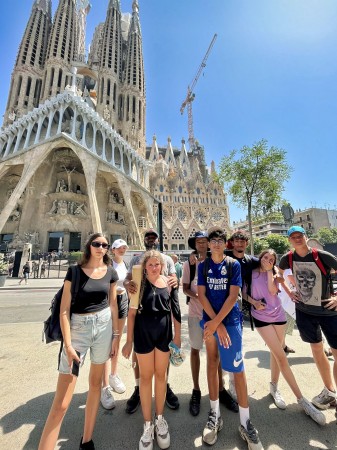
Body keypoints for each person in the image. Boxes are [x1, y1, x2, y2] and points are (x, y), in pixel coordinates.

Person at [38, 233, 119, 450]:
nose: (101, 248)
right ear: (89, 246)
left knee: (95, 386)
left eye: (104, 245)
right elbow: (64, 310)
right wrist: (69, 344)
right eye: (96, 244)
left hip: (103, 329)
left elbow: (113, 306)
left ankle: (87, 440)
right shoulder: (74, 271)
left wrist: (116, 337)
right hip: (78, 331)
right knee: (62, 402)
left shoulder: (110, 272)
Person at [197, 227, 263, 448]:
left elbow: (234, 295)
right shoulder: (203, 265)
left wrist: (219, 324)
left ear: (225, 244)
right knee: (212, 363)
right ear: (208, 243)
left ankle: (245, 422)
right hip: (210, 321)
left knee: (237, 368)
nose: (216, 243)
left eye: (220, 240)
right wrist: (214, 323)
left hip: (230, 321)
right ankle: (215, 414)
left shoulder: (232, 264)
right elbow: (202, 295)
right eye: (212, 240)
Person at [247, 249, 325, 425]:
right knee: (282, 357)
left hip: (278, 315)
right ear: (260, 258)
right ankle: (302, 401)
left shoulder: (273, 272)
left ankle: (273, 387)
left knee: (277, 352)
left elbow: (272, 291)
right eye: (265, 257)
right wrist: (254, 302)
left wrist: (270, 272)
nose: (268, 260)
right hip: (261, 316)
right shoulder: (250, 273)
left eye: (271, 259)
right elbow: (243, 292)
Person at [122, 250, 181, 450]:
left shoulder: (170, 283)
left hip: (163, 334)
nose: (155, 268)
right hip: (143, 333)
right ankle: (147, 424)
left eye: (158, 264)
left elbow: (176, 310)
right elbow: (131, 315)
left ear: (162, 266)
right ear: (144, 267)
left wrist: (178, 337)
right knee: (146, 378)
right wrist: (128, 341)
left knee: (161, 376)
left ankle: (160, 419)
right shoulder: (138, 284)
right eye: (151, 265)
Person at [279, 226, 337, 412]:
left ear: (306, 237)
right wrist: (290, 292)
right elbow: (278, 275)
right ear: (289, 240)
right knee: (316, 348)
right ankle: (329, 391)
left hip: (328, 310)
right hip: (305, 311)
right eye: (293, 237)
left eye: (300, 236)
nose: (297, 239)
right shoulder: (287, 258)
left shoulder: (321, 255)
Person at [182, 230, 238, 417]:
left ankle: (220, 390)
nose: (202, 244)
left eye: (204, 241)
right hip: (197, 313)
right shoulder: (190, 263)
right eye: (198, 242)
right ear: (194, 245)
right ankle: (197, 390)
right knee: (196, 349)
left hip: (216, 316)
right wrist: (198, 296)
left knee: (217, 354)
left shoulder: (219, 262)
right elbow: (185, 288)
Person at [123, 229, 179, 413]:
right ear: (144, 239)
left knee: (162, 364)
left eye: (154, 237)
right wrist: (127, 284)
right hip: (141, 313)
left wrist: (176, 281)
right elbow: (128, 279)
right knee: (140, 359)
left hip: (161, 316)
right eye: (148, 237)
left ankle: (165, 386)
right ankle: (139, 388)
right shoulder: (135, 259)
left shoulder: (167, 260)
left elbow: (173, 281)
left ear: (158, 240)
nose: (151, 240)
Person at [101, 239, 129, 409]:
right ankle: (104, 386)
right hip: (108, 302)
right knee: (105, 342)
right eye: (119, 248)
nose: (122, 250)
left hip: (123, 300)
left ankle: (113, 374)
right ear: (112, 250)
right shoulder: (107, 264)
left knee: (116, 339)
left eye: (124, 247)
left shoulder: (125, 264)